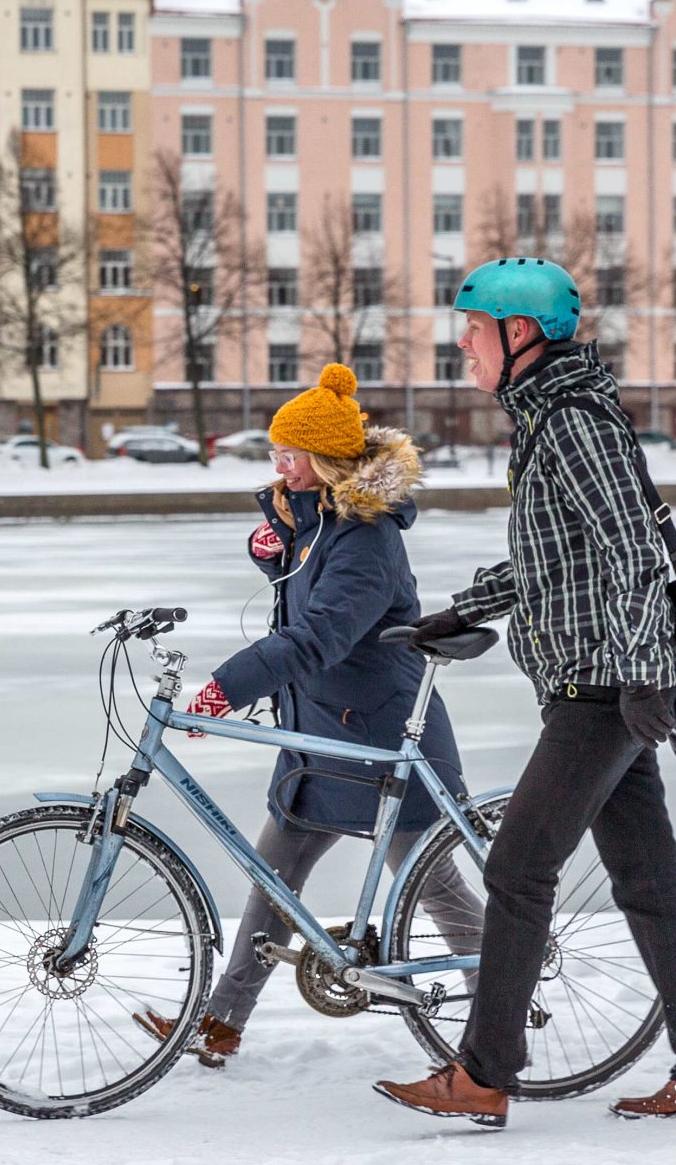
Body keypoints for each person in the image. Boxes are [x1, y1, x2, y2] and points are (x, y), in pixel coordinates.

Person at [375, 258, 676, 1130]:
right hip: (597, 682)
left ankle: (484, 1071)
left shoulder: (573, 421)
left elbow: (631, 554)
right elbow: (557, 560)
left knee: (517, 866)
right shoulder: (549, 418)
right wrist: (464, 608)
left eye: (473, 330)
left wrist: (644, 673)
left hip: (603, 688)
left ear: (520, 333)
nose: (462, 345)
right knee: (648, 879)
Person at [135, 363, 482, 1067]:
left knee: (435, 888)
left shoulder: (367, 536)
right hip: (319, 736)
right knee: (272, 884)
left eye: (290, 455)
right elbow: (311, 594)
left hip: (381, 738)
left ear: (324, 461)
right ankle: (221, 1022)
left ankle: (495, 1029)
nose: (278, 466)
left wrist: (227, 687)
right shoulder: (320, 523)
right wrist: (278, 552)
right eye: (275, 452)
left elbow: (323, 633)